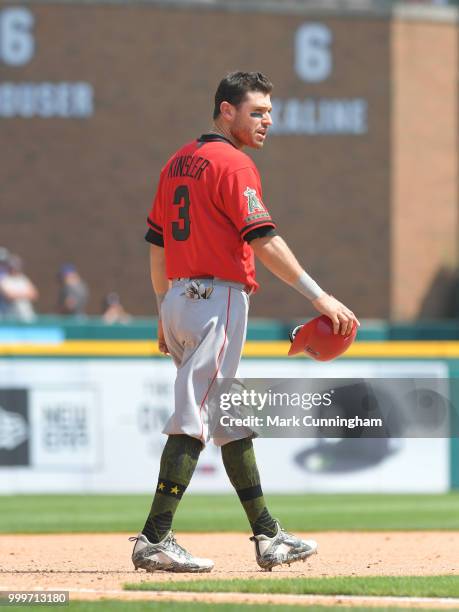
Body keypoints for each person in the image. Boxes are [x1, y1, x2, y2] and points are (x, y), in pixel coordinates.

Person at [131, 72, 359, 573]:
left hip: (178, 297)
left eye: (269, 114)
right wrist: (320, 297)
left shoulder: (177, 163)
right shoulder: (234, 164)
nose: (267, 122)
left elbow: (157, 241)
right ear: (225, 110)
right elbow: (264, 241)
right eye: (256, 112)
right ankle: (155, 537)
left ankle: (268, 534)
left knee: (229, 420)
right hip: (218, 299)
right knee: (193, 416)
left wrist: (161, 306)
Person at [0, 254, 38, 322]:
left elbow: (34, 294)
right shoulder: (4, 280)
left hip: (26, 317)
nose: (14, 269)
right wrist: (25, 294)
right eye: (12, 267)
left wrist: (17, 294)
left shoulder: (23, 278)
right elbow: (9, 296)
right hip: (10, 318)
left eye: (16, 267)